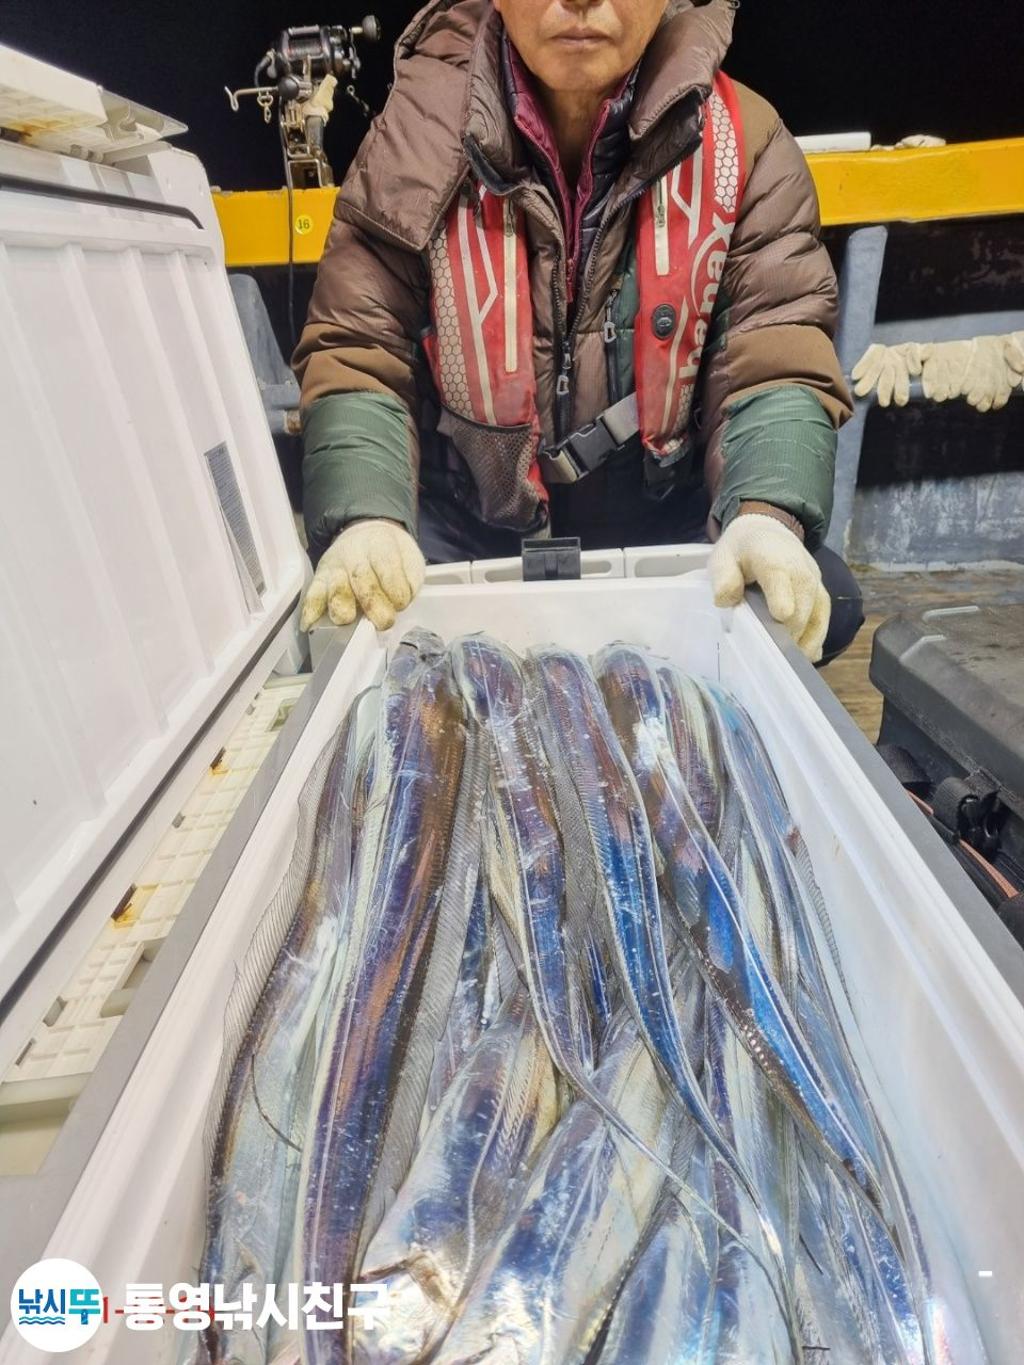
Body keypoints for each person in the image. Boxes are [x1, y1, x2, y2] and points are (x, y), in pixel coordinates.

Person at [293, 0, 864, 663]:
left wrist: (764, 515)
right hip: (470, 531)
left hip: (658, 528)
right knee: (348, 606)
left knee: (821, 601)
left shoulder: (747, 142)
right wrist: (368, 517)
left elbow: (774, 352)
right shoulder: (409, 144)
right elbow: (361, 347)